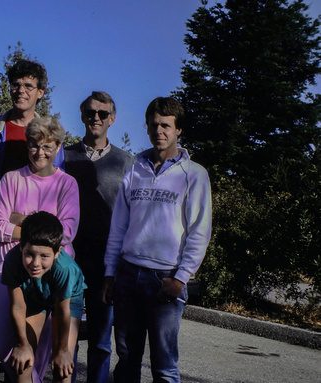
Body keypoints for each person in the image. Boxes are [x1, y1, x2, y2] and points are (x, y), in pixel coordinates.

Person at [101, 97, 212, 382]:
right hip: (128, 275)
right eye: (154, 125)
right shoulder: (135, 169)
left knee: (164, 365)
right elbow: (119, 226)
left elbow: (199, 230)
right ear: (147, 128)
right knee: (127, 359)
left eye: (166, 125)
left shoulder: (194, 175)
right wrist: (111, 273)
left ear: (178, 131)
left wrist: (181, 278)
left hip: (166, 278)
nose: (159, 131)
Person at [0, 116, 79, 382]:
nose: (40, 152)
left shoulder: (67, 184)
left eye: (47, 147)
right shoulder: (11, 179)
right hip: (9, 269)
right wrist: (43, 228)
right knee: (7, 344)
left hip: (53, 271)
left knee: (43, 348)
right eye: (34, 145)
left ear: (58, 147)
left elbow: (67, 232)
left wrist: (21, 221)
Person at [64, 91, 133, 383]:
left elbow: (132, 214)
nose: (96, 118)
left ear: (112, 119)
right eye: (91, 112)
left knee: (101, 341)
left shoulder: (126, 163)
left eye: (103, 114)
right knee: (64, 338)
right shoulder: (64, 156)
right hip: (69, 258)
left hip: (106, 262)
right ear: (82, 116)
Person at [1, 211, 86, 383]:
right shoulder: (12, 260)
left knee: (63, 368)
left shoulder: (65, 269)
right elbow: (18, 306)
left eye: (44, 256)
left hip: (67, 299)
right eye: (29, 254)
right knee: (22, 363)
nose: (35, 263)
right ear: (20, 247)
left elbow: (62, 312)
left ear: (57, 252)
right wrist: (22, 344)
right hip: (33, 294)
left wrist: (62, 351)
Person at [0, 59, 64, 177]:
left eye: (28, 86)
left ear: (40, 92)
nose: (21, 91)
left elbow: (58, 179)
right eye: (16, 85)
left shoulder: (51, 134)